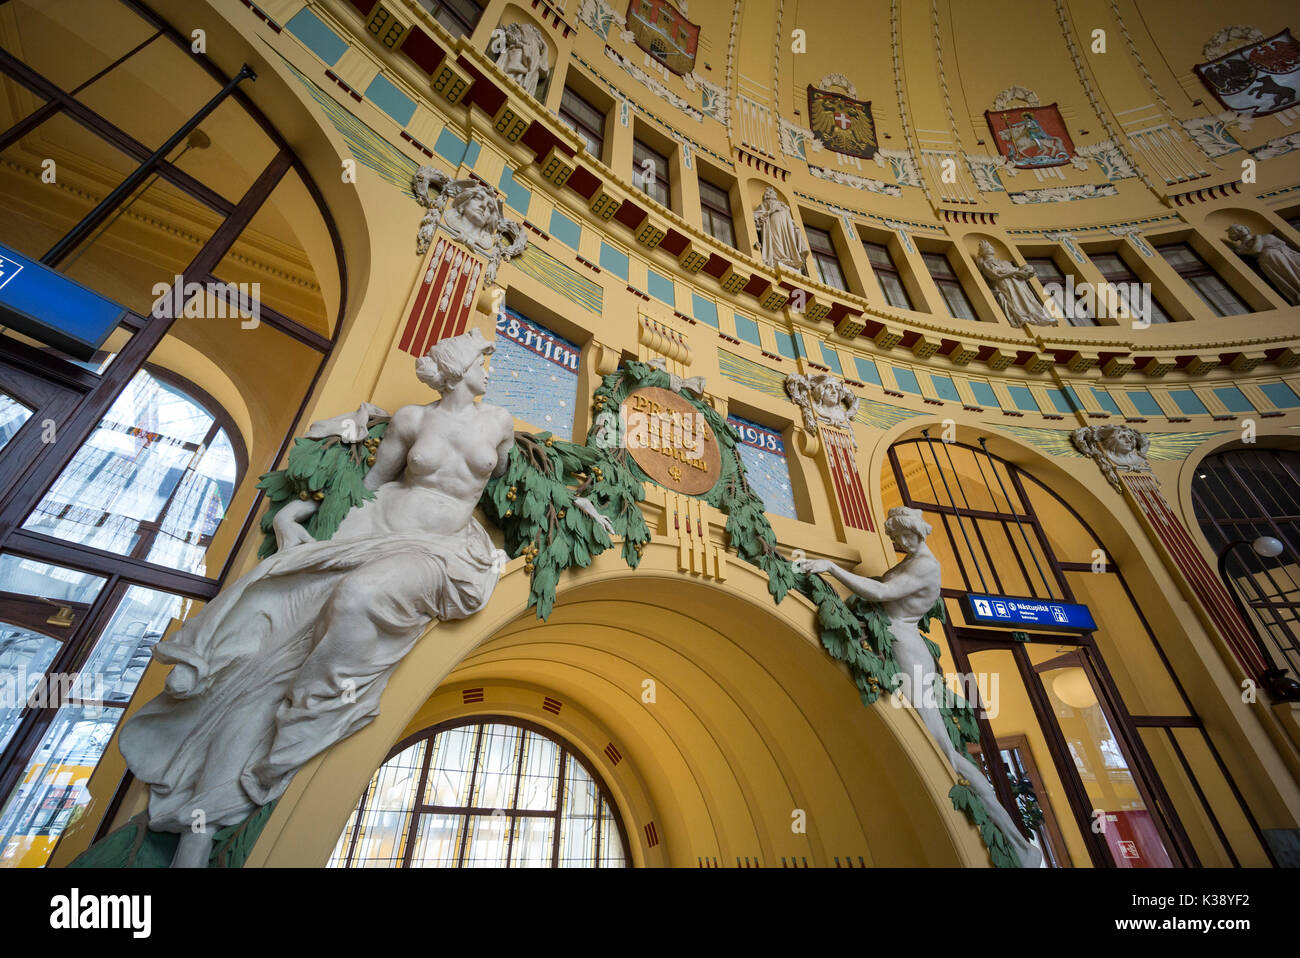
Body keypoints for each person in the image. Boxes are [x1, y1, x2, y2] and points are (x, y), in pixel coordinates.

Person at [120, 329, 611, 867]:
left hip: (441, 554)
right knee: (272, 645)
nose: (489, 371)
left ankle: (311, 710)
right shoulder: (411, 420)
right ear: (459, 368)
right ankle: (206, 768)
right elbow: (373, 484)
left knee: (357, 598)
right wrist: (299, 515)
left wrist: (573, 506)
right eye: (482, 361)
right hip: (376, 532)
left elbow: (517, 484)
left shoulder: (498, 424)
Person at [793, 507, 1042, 868]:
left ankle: (1019, 847)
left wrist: (831, 568)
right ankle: (1020, 846)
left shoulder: (926, 566)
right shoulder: (912, 558)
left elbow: (881, 591)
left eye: (896, 536)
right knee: (938, 744)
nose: (893, 542)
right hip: (894, 643)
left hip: (906, 648)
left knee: (938, 745)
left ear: (911, 534)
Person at [976, 240, 1057, 328]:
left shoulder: (1003, 261)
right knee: (1015, 301)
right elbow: (994, 273)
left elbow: (1015, 270)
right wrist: (1016, 273)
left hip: (1018, 283)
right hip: (1005, 283)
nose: (991, 248)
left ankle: (1039, 317)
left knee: (1027, 299)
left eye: (991, 246)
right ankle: (1024, 317)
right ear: (983, 252)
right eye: (988, 247)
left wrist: (1026, 270)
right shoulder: (986, 264)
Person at [1226, 224, 1300, 305]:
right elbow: (1256, 250)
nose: (1241, 230)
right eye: (1237, 230)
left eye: (1242, 228)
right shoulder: (1240, 248)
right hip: (1270, 258)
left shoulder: (1266, 236)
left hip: (1286, 253)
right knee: (1275, 259)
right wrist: (1258, 237)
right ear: (1235, 235)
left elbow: (1281, 243)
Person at [753, 187, 810, 274]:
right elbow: (757, 216)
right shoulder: (765, 204)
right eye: (770, 192)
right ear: (767, 195)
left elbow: (790, 219)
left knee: (787, 242)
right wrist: (771, 210)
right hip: (773, 223)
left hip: (786, 226)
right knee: (776, 240)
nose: (773, 194)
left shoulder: (783, 205)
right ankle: (778, 259)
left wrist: (792, 224)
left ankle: (788, 259)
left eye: (773, 193)